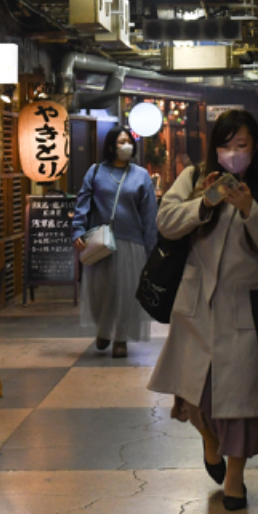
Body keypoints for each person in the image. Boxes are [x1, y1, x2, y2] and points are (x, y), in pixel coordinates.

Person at [148, 110, 258, 511]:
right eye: (226, 145)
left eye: (242, 145)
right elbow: (166, 222)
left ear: (256, 147)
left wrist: (250, 210)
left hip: (245, 313)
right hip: (196, 309)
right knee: (199, 398)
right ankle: (209, 441)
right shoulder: (195, 178)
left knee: (241, 404)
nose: (233, 153)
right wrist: (204, 202)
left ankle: (235, 477)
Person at [72, 126, 159, 358]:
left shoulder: (141, 176)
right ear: (111, 146)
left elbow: (149, 216)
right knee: (102, 291)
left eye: (128, 141)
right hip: (101, 243)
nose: (126, 145)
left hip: (133, 243)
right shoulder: (96, 171)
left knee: (126, 293)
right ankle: (103, 330)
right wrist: (78, 231)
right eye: (121, 142)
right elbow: (83, 203)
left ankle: (121, 339)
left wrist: (152, 251)